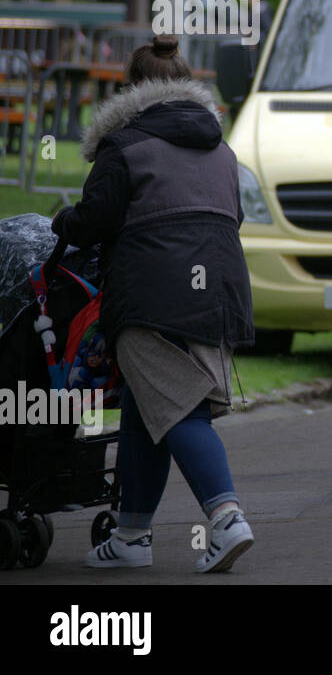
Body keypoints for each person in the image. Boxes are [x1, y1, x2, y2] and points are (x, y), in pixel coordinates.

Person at [52, 35, 257, 571]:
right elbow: (230, 218)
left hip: (152, 297)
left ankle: (227, 517)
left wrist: (61, 222)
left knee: (182, 410)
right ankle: (131, 537)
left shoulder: (125, 147)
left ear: (131, 89)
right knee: (152, 412)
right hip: (220, 295)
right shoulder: (223, 150)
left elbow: (94, 221)